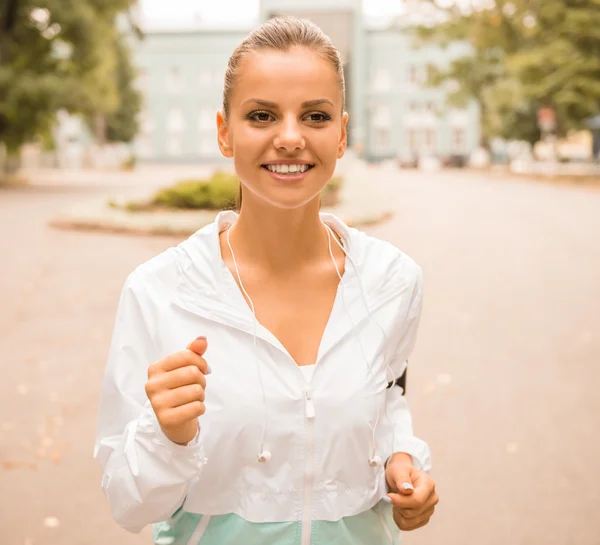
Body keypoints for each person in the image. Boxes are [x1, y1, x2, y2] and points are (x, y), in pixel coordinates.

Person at [94, 16, 438, 545]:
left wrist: (402, 458)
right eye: (262, 115)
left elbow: (387, 399)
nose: (291, 138)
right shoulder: (160, 292)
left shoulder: (392, 281)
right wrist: (168, 437)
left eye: (315, 116)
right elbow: (128, 505)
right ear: (224, 132)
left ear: (342, 134)